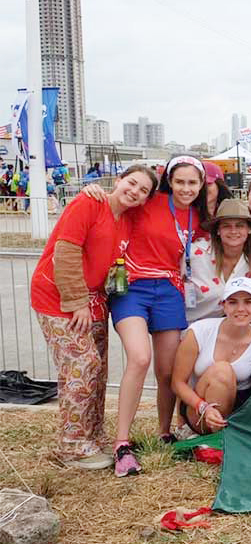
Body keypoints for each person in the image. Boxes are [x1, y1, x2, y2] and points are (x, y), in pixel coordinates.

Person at [30, 165, 156, 470]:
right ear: (118, 180)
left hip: (96, 301)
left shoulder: (125, 220)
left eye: (143, 191)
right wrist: (76, 302)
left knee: (97, 371)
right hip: (60, 298)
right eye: (132, 183)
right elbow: (67, 252)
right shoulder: (88, 203)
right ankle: (72, 446)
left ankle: (93, 435)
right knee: (81, 365)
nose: (135, 192)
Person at [92, 155, 210, 476]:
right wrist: (96, 192)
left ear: (201, 185)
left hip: (170, 290)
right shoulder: (149, 201)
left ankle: (164, 432)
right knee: (140, 358)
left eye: (193, 182)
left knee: (168, 369)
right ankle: (122, 443)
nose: (186, 188)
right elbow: (117, 201)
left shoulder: (198, 217)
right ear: (169, 181)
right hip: (132, 287)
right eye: (180, 181)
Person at [170, 277, 251, 435]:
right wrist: (203, 407)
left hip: (237, 413)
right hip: (198, 410)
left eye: (248, 302)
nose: (241, 309)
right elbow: (177, 383)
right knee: (222, 370)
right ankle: (214, 438)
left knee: (224, 371)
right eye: (233, 302)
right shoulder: (199, 331)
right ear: (223, 305)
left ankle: (223, 439)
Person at [187, 199, 251, 323]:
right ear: (218, 230)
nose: (233, 231)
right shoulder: (193, 255)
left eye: (239, 225)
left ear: (249, 230)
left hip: (234, 329)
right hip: (191, 328)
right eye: (226, 226)